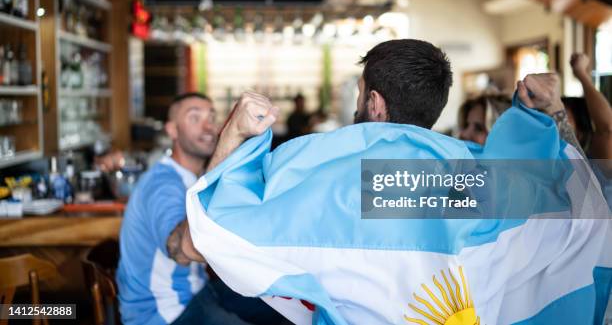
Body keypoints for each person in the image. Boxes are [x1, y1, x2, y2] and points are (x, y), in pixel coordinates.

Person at [180, 39, 584, 259]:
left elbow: (203, 242)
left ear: (374, 103)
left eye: (360, 96)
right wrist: (554, 115)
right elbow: (580, 206)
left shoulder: (326, 173)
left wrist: (233, 134)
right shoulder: (475, 178)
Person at [117, 92, 287, 325]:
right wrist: (232, 135)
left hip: (199, 290)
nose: (208, 126)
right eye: (194, 118)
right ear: (172, 130)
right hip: (164, 311)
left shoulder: (193, 177)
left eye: (212, 117)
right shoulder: (163, 184)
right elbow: (183, 250)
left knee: (289, 306)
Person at [563, 52, 612, 159]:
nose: (556, 119)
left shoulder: (592, 152)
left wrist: (580, 73)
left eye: (564, 115)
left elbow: (607, 128)